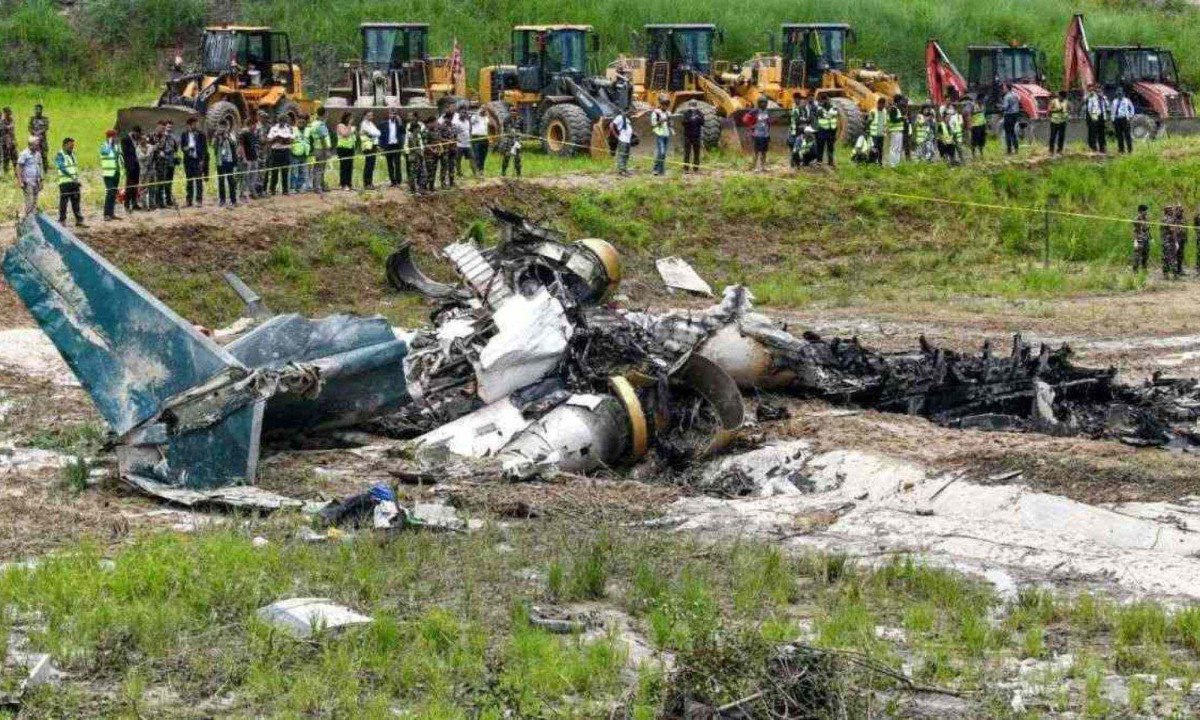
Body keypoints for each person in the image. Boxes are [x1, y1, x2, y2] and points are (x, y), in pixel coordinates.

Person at [55, 137, 84, 227]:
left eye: (73, 146)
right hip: (65, 183)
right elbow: (61, 167)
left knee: (76, 202)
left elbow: (74, 168)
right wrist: (71, 176)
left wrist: (76, 179)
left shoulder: (73, 154)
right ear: (64, 145)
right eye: (70, 145)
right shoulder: (60, 155)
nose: (72, 147)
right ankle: (62, 220)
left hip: (74, 182)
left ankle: (79, 221)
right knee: (64, 203)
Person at [180, 116, 207, 207]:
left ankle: (199, 200)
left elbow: (204, 149)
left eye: (197, 124)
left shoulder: (201, 134)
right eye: (194, 124)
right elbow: (182, 148)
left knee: (199, 181)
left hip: (197, 160)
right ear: (189, 125)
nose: (196, 125)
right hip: (188, 160)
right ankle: (189, 200)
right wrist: (187, 148)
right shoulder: (184, 134)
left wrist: (202, 160)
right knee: (189, 181)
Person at [212, 125, 239, 208]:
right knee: (221, 181)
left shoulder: (231, 135)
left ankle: (233, 200)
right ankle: (222, 200)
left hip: (229, 161)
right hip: (220, 162)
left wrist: (227, 138)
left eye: (224, 127)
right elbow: (213, 146)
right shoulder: (216, 137)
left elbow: (235, 145)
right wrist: (218, 138)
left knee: (231, 181)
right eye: (221, 128)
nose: (222, 129)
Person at [16, 135, 43, 217]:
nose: (38, 146)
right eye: (36, 145)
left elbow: (40, 167)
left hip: (36, 181)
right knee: (29, 201)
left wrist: (42, 180)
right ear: (31, 145)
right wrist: (20, 181)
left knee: (35, 200)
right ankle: (29, 218)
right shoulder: (24, 154)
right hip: (27, 181)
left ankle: (34, 217)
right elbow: (19, 168)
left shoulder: (38, 154)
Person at [239, 113, 263, 201]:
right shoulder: (244, 134)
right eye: (254, 124)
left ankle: (252, 192)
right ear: (250, 124)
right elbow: (241, 147)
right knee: (245, 177)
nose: (256, 126)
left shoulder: (253, 134)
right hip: (247, 159)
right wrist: (244, 158)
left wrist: (257, 156)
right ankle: (242, 194)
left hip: (254, 158)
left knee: (254, 176)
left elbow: (255, 146)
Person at [99, 129, 123, 221]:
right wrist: (109, 143)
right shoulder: (104, 146)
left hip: (116, 173)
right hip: (108, 174)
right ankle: (106, 214)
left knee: (114, 194)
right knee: (110, 193)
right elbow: (105, 152)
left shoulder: (117, 146)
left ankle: (111, 213)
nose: (116, 138)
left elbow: (120, 157)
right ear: (110, 137)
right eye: (115, 137)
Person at [266, 116, 293, 195]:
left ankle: (285, 190)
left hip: (285, 151)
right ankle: (272, 189)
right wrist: (276, 138)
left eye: (284, 120)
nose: (282, 122)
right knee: (275, 171)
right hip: (276, 152)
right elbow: (269, 140)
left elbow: (291, 139)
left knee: (285, 171)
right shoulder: (273, 129)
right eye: (281, 120)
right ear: (278, 120)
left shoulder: (288, 128)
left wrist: (283, 141)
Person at [155, 121, 179, 209]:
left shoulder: (173, 138)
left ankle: (168, 200)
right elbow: (157, 148)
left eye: (171, 127)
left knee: (169, 182)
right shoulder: (161, 137)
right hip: (162, 164)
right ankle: (159, 202)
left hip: (171, 163)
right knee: (161, 183)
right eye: (168, 127)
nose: (169, 129)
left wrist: (176, 156)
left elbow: (176, 149)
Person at [307, 109, 332, 193]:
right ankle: (318, 187)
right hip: (321, 149)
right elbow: (322, 138)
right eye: (327, 113)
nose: (328, 115)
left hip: (316, 148)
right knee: (320, 168)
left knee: (318, 168)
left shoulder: (313, 124)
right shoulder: (321, 124)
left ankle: (320, 185)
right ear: (324, 114)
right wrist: (327, 150)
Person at [402, 114, 427, 194]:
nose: (419, 130)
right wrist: (410, 151)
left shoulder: (419, 136)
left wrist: (421, 151)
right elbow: (405, 147)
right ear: (414, 129)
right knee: (413, 174)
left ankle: (421, 188)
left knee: (422, 173)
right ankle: (412, 189)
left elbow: (421, 145)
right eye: (417, 129)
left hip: (420, 156)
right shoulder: (408, 137)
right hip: (413, 157)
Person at [380, 107, 404, 187]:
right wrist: (381, 147)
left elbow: (403, 132)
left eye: (394, 114)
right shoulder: (383, 123)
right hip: (388, 146)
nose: (392, 115)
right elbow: (381, 136)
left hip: (396, 146)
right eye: (391, 113)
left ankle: (398, 181)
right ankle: (392, 181)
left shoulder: (399, 123)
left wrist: (400, 121)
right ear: (388, 114)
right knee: (389, 164)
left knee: (397, 164)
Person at [680, 100, 705, 173]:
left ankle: (696, 169)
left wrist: (698, 118)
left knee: (697, 153)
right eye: (692, 106)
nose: (693, 107)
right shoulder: (686, 113)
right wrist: (691, 119)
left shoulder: (700, 113)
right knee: (687, 153)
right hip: (687, 136)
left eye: (694, 106)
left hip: (697, 136)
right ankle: (686, 168)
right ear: (689, 106)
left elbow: (703, 122)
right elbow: (683, 122)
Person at [120, 126, 140, 213]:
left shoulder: (137, 139)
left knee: (135, 185)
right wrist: (129, 165)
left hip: (137, 166)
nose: (138, 136)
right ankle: (127, 204)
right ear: (134, 132)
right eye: (137, 134)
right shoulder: (125, 140)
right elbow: (126, 154)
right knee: (129, 186)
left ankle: (134, 203)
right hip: (130, 166)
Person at [360, 110, 381, 190]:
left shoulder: (371, 124)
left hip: (373, 146)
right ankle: (366, 183)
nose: (371, 117)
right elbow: (373, 133)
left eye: (372, 115)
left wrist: (375, 133)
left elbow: (378, 133)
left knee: (372, 165)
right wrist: (374, 133)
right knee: (368, 165)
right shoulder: (364, 124)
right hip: (367, 147)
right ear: (365, 116)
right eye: (369, 115)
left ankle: (370, 182)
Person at [749, 97, 772, 172]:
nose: (764, 104)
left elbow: (768, 122)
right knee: (756, 151)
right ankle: (754, 166)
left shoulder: (767, 112)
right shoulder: (755, 111)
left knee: (764, 152)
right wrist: (751, 126)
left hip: (765, 134)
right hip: (757, 134)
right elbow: (745, 119)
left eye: (765, 103)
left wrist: (768, 133)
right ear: (759, 103)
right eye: (763, 102)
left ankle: (763, 166)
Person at [498, 111, 522, 178]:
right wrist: (510, 131)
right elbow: (505, 129)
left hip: (517, 141)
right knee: (506, 156)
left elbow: (521, 129)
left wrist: (518, 133)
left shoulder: (520, 119)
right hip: (509, 140)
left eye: (514, 111)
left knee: (517, 158)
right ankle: (503, 173)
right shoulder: (506, 119)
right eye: (511, 111)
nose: (513, 113)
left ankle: (518, 174)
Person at [1085, 84, 1108, 153]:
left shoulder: (1104, 98)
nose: (1099, 91)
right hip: (1095, 117)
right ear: (1096, 90)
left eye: (1100, 89)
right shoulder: (1092, 98)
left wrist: (1104, 99)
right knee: (1093, 133)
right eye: (1098, 89)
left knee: (1102, 133)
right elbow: (1089, 109)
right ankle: (1093, 147)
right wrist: (1092, 116)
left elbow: (1107, 106)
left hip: (1102, 116)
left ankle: (1102, 147)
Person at [335, 112, 356, 190]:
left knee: (350, 166)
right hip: (342, 148)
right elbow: (345, 134)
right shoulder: (340, 125)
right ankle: (343, 184)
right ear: (346, 118)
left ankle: (349, 183)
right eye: (350, 118)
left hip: (350, 148)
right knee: (344, 166)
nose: (351, 119)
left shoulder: (349, 126)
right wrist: (350, 125)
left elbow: (352, 136)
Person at [289, 115, 310, 192]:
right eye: (299, 122)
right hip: (295, 154)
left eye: (303, 122)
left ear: (305, 123)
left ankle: (299, 187)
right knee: (294, 171)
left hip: (304, 154)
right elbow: (289, 141)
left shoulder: (308, 130)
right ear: (297, 122)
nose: (301, 123)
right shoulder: (293, 129)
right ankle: (292, 188)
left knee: (302, 172)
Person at [610, 109, 634, 176]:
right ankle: (621, 170)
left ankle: (624, 169)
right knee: (622, 155)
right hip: (623, 139)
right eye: (628, 111)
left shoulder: (627, 119)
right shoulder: (619, 117)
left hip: (628, 140)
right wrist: (616, 135)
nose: (630, 113)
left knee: (626, 155)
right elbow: (611, 125)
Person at [1111, 88, 1135, 154]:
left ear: (1123, 93)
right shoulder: (1114, 101)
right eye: (1118, 93)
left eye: (1120, 93)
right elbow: (1112, 110)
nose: (1119, 95)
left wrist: (1130, 116)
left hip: (1124, 119)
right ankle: (1121, 150)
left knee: (1127, 135)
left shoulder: (1127, 100)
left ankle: (1130, 150)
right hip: (1117, 119)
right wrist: (1112, 119)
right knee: (1119, 135)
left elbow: (1132, 108)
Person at [816, 97, 838, 166]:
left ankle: (830, 162)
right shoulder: (819, 108)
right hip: (822, 130)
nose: (825, 101)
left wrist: (828, 115)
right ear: (822, 100)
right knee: (820, 147)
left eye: (826, 100)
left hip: (831, 130)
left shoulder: (833, 107)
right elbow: (822, 115)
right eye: (823, 100)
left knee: (830, 147)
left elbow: (835, 114)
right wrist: (830, 115)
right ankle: (819, 161)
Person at [136, 133, 156, 210]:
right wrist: (148, 153)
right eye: (141, 140)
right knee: (144, 189)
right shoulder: (137, 149)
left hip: (151, 170)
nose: (143, 141)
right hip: (143, 171)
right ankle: (144, 206)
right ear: (139, 141)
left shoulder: (150, 146)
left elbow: (152, 154)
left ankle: (152, 204)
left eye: (144, 139)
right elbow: (141, 157)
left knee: (152, 188)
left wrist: (148, 153)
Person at [886, 96, 906, 167]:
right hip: (895, 131)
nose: (902, 102)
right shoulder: (893, 109)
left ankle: (896, 164)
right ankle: (892, 164)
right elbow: (893, 120)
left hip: (898, 131)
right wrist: (902, 118)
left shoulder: (897, 109)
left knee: (898, 148)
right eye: (901, 101)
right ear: (898, 101)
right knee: (894, 148)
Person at [1001, 84, 1021, 154]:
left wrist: (1001, 107)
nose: (1003, 89)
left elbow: (1005, 107)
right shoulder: (1015, 95)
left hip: (1008, 115)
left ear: (1007, 88)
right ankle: (1016, 149)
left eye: (1004, 88)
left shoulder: (1007, 96)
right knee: (1013, 132)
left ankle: (1009, 150)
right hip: (1015, 115)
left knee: (1008, 133)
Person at [965, 94, 987, 159]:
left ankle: (981, 153)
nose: (982, 100)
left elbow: (983, 114)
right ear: (978, 99)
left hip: (982, 125)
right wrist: (969, 123)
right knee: (974, 140)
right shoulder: (972, 105)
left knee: (982, 140)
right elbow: (968, 114)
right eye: (981, 99)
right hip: (975, 126)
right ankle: (973, 154)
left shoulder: (983, 105)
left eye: (983, 99)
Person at [29, 104, 49, 172]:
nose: (37, 111)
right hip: (34, 140)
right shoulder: (32, 119)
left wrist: (39, 133)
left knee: (44, 155)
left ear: (41, 110)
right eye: (36, 109)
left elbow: (46, 127)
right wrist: (34, 133)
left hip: (42, 140)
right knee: (33, 155)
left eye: (39, 109)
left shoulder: (45, 119)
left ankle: (45, 170)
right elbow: (29, 128)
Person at [452, 108, 472, 178]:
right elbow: (454, 133)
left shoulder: (467, 122)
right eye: (461, 113)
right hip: (459, 144)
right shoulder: (456, 122)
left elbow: (469, 131)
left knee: (472, 158)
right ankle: (459, 173)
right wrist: (455, 140)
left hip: (468, 144)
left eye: (464, 113)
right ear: (459, 114)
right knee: (458, 160)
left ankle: (475, 173)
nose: (463, 114)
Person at [470, 107, 490, 176]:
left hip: (484, 138)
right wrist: (478, 112)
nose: (483, 110)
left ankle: (481, 170)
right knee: (477, 155)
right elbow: (472, 121)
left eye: (484, 109)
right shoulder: (475, 117)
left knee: (483, 155)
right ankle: (477, 171)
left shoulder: (486, 118)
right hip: (476, 138)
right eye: (482, 109)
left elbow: (488, 127)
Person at [1048, 91, 1069, 155]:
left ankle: (1060, 150)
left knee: (1061, 136)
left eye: (1062, 97)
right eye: (1060, 97)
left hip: (1062, 122)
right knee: (1053, 136)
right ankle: (1051, 150)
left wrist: (1067, 113)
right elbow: (1049, 110)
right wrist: (1057, 111)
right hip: (1054, 122)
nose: (1061, 98)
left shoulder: (1066, 102)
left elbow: (1069, 109)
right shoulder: (1054, 101)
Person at [868, 97, 886, 166]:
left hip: (881, 134)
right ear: (878, 104)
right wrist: (868, 132)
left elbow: (885, 122)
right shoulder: (873, 112)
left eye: (884, 105)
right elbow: (868, 122)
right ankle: (871, 163)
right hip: (873, 134)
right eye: (882, 105)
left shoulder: (884, 111)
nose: (883, 107)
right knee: (873, 149)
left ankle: (879, 163)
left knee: (880, 149)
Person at [1132, 204, 1150, 271]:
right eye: (1145, 211)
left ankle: (1144, 268)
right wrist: (1135, 241)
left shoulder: (1146, 219)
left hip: (1146, 239)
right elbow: (1135, 231)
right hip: (1139, 239)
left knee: (1146, 255)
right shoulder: (1136, 219)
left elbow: (1147, 229)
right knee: (1137, 255)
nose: (1146, 212)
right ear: (1141, 211)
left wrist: (1150, 238)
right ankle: (1135, 270)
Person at [0, 107, 16, 177]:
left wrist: (14, 140)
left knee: (15, 157)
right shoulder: (2, 122)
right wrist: (7, 142)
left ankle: (16, 171)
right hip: (5, 142)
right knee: (6, 157)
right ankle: (6, 172)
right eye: (8, 112)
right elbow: (5, 132)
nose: (10, 113)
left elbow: (12, 132)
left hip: (12, 141)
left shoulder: (11, 120)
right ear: (5, 113)